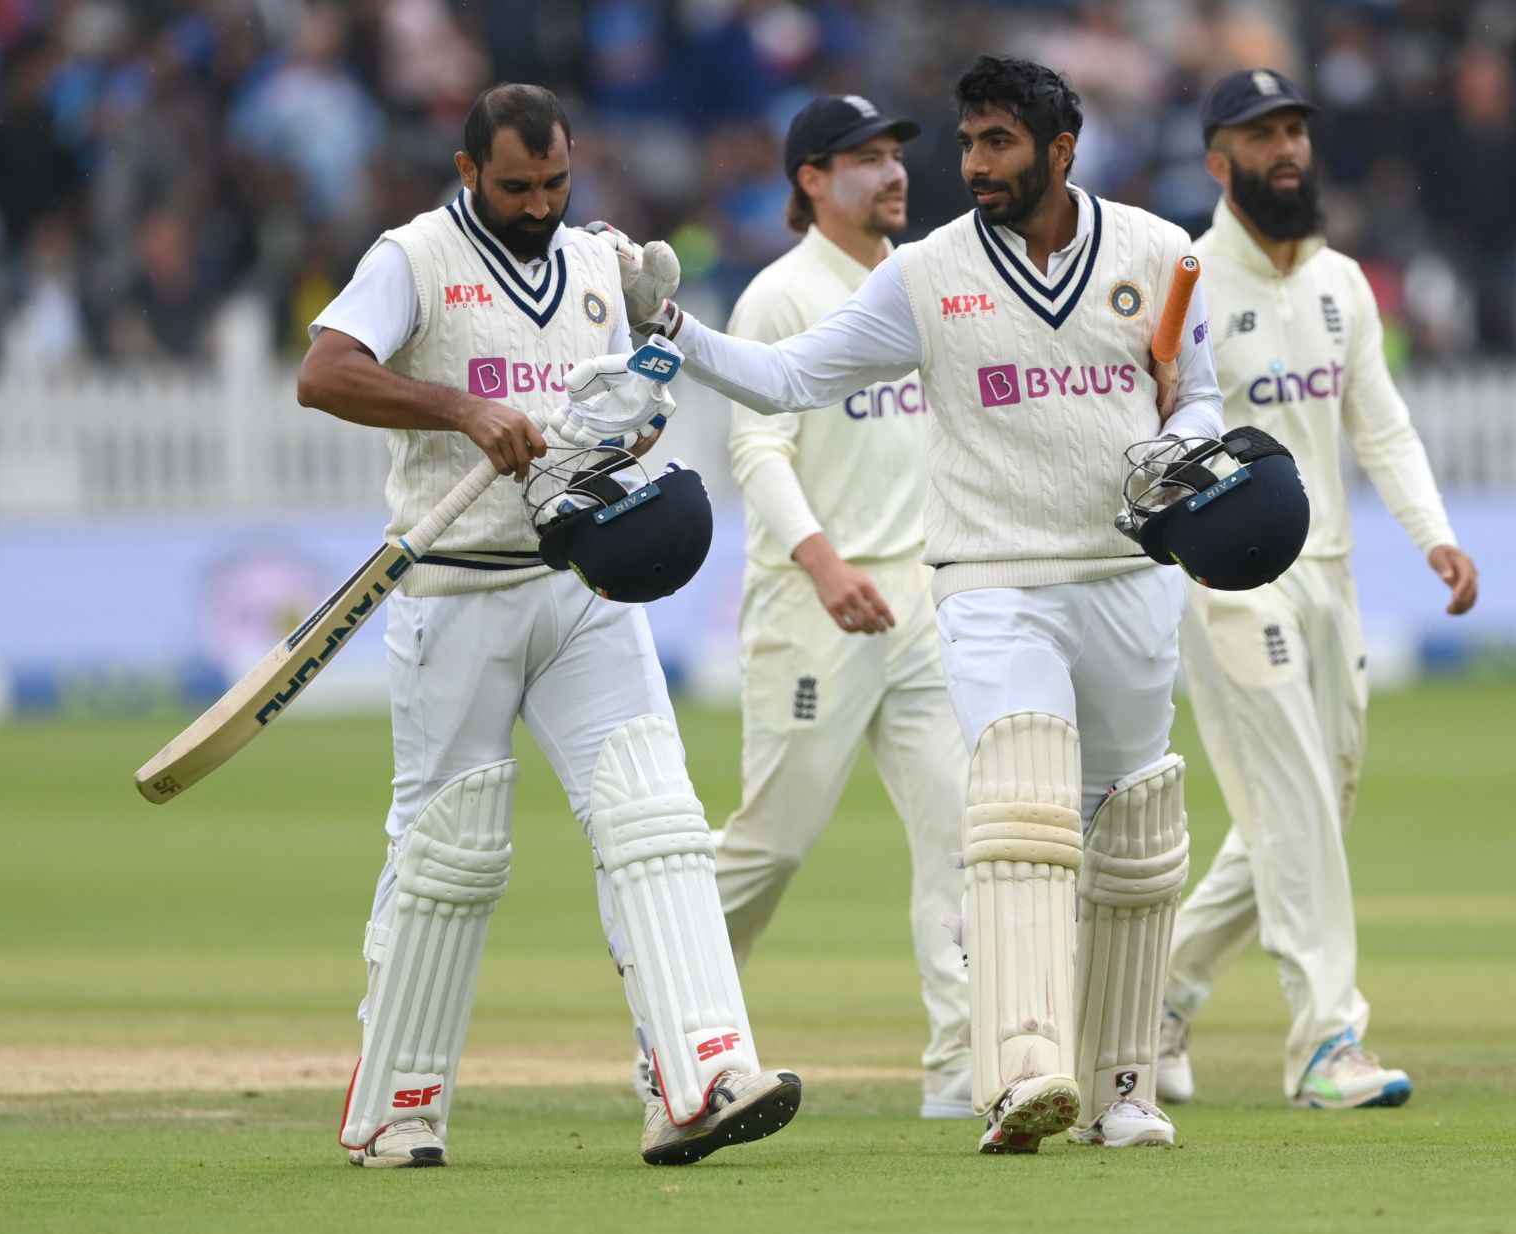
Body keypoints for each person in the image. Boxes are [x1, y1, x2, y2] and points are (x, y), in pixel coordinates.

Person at [599, 55, 1229, 1153]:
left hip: (1129, 576)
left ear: (1061, 150)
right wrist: (677, 333)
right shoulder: (929, 273)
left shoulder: (1160, 255)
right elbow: (790, 378)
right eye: (968, 141)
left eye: (998, 143)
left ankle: (1122, 1084)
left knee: (1130, 827)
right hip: (991, 582)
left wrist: (1176, 447)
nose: (972, 165)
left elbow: (1200, 396)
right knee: (1019, 800)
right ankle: (1018, 1070)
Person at [295, 82, 799, 1169]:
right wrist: (462, 409)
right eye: (516, 185)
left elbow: (632, 410)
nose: (538, 203)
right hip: (456, 590)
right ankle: (395, 1107)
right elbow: (325, 372)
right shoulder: (413, 256)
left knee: (655, 817)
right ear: (470, 170)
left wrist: (649, 364)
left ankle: (696, 1077)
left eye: (556, 182)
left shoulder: (594, 264)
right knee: (447, 852)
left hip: (581, 585)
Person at [1155, 68, 1479, 1110]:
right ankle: (1326, 1040)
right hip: (1230, 583)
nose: (1286, 149)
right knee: (1292, 799)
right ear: (1219, 162)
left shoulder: (1342, 281)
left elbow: (1377, 424)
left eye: (1295, 129)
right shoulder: (1185, 280)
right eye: (1262, 136)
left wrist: (1434, 535)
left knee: (1307, 811)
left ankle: (1155, 996)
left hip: (1329, 577)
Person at [707, 94, 974, 1120]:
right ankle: (679, 1019)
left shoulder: (919, 284)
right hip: (813, 606)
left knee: (961, 834)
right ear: (810, 179)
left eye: (896, 154)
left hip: (921, 602)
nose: (893, 173)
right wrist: (823, 564)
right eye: (863, 158)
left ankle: (963, 1064)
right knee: (772, 843)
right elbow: (756, 450)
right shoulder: (780, 297)